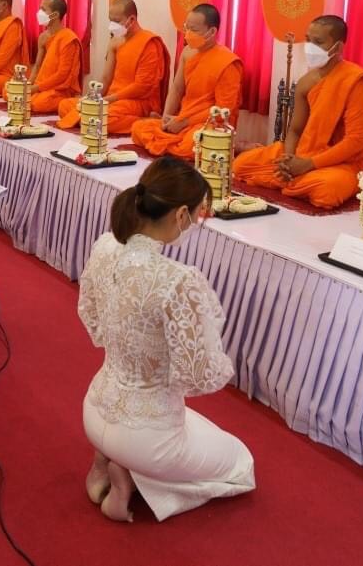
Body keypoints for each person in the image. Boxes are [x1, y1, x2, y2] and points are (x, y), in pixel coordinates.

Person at [79, 156, 255, 522]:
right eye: (197, 215)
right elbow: (200, 375)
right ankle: (133, 476)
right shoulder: (179, 280)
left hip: (94, 408)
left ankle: (107, 458)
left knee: (193, 424)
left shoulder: (105, 246)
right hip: (148, 439)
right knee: (241, 462)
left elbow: (92, 318)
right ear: (181, 215)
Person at [234, 15, 363, 209]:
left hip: (342, 162)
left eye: (318, 42)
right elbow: (295, 130)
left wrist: (309, 164)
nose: (310, 47)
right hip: (303, 152)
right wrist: (288, 160)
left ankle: (295, 180)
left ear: (337, 47)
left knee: (327, 190)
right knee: (241, 165)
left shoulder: (356, 82)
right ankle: (293, 179)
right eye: (308, 40)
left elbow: (357, 141)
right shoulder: (307, 81)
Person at [131, 4, 242, 158]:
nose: (188, 34)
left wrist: (184, 122)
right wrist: (166, 118)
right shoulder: (187, 52)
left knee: (191, 145)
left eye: (194, 30)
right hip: (182, 119)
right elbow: (177, 89)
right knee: (138, 128)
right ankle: (173, 142)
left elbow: (223, 110)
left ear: (212, 32)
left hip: (209, 124)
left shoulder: (228, 63)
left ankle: (229, 146)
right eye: (186, 28)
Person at [57, 0, 170, 133]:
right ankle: (88, 119)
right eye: (110, 20)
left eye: (116, 21)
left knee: (100, 118)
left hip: (138, 101)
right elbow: (106, 78)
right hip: (113, 99)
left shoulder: (149, 44)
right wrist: (93, 98)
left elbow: (142, 87)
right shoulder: (115, 42)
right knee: (65, 105)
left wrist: (109, 99)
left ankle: (145, 121)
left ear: (131, 20)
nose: (112, 25)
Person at [2, 0, 81, 114]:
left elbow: (62, 75)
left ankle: (62, 100)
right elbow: (37, 66)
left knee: (39, 103)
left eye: (43, 9)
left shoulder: (68, 39)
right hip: (41, 85)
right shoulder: (43, 37)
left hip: (59, 89)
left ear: (55, 15)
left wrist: (35, 88)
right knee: (9, 91)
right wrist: (28, 85)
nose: (39, 12)